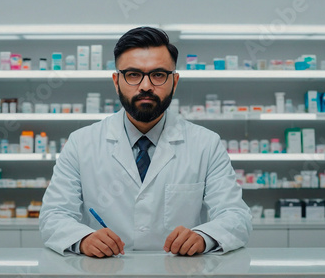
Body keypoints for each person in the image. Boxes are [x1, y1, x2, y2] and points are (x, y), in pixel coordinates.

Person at [39, 26, 252, 257]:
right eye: (133, 74)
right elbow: (54, 215)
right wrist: (82, 239)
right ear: (116, 81)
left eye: (158, 75)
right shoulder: (81, 143)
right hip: (105, 270)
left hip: (179, 270)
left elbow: (236, 216)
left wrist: (204, 236)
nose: (146, 86)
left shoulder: (206, 144)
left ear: (175, 81)